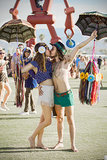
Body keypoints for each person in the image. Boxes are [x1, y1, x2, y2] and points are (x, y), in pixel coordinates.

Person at [50, 30, 97, 152]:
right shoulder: (51, 65)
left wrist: (91, 38)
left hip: (67, 95)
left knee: (70, 119)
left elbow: (78, 47)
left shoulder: (66, 61)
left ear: (58, 50)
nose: (51, 50)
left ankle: (72, 145)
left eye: (53, 49)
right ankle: (60, 142)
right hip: (57, 96)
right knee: (59, 119)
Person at [21, 42, 54, 149]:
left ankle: (39, 142)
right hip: (45, 91)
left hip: (50, 91)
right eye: (47, 48)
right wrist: (38, 80)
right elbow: (23, 70)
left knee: (43, 120)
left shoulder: (49, 62)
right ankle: (32, 137)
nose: (49, 50)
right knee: (48, 121)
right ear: (42, 50)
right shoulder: (35, 63)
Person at [20, 47, 37, 115]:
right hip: (27, 78)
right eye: (26, 52)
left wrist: (26, 74)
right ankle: (33, 109)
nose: (27, 53)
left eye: (28, 52)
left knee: (27, 94)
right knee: (30, 94)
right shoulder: (24, 60)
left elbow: (33, 69)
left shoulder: (32, 59)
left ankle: (26, 110)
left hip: (31, 78)